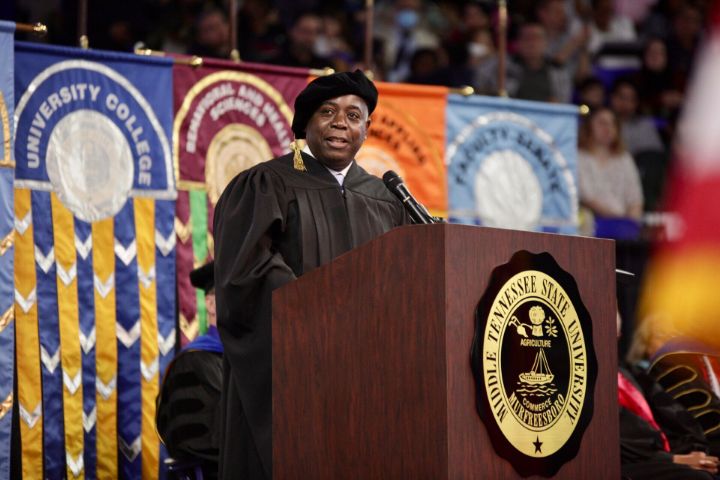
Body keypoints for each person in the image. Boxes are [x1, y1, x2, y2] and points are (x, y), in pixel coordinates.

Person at [213, 70, 411, 480]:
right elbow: (246, 274)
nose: (341, 123)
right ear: (305, 123)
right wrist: (325, 317)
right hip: (292, 367)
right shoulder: (267, 183)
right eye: (328, 112)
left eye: (354, 116)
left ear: (366, 129)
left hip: (367, 372)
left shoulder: (386, 200)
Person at [577, 107, 643, 233]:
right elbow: (586, 197)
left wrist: (632, 224)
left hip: (623, 223)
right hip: (592, 222)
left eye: (613, 123)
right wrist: (618, 221)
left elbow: (635, 198)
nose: (608, 127)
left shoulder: (624, 158)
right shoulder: (579, 157)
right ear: (588, 127)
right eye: (602, 122)